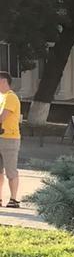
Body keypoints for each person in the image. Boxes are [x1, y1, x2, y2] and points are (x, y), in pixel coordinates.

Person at [0, 73, 22, 209]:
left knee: (11, 171)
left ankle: (13, 199)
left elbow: (2, 117)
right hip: (1, 137)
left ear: (3, 81)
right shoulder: (2, 97)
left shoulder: (11, 97)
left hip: (9, 139)